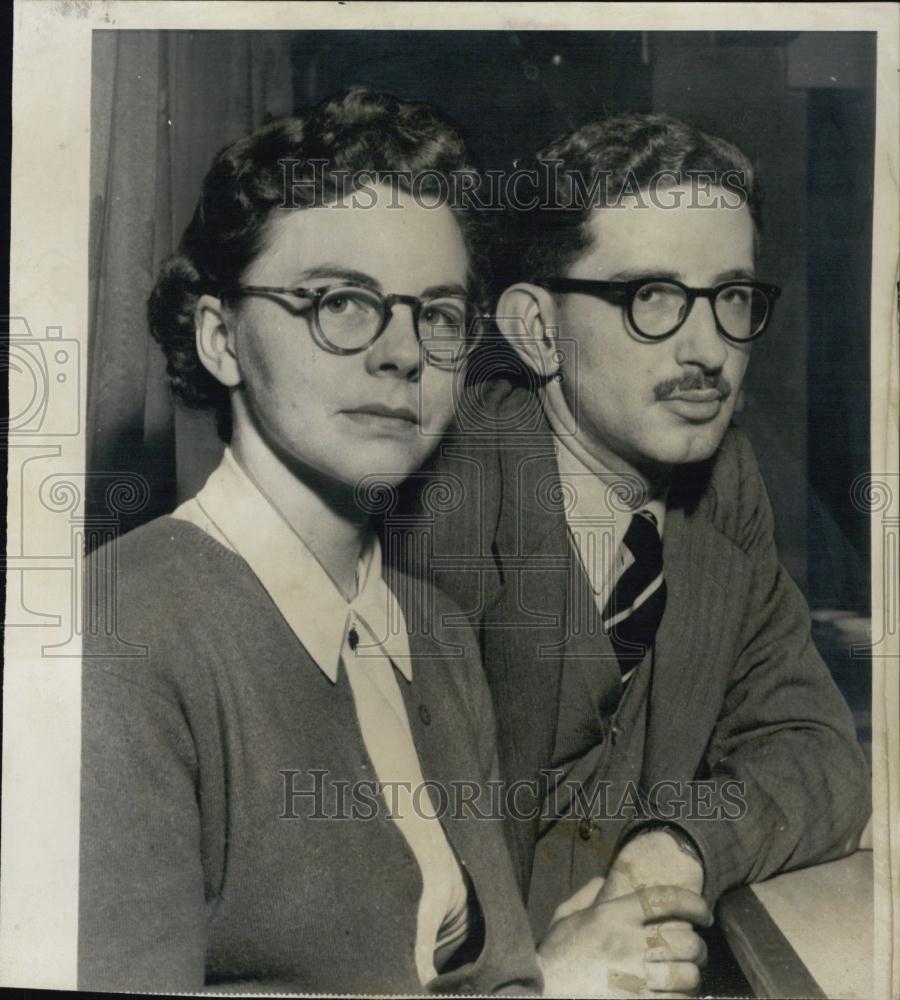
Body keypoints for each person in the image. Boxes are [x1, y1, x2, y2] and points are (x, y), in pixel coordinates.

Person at [80, 90, 713, 998]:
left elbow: (479, 977)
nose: (402, 353)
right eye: (342, 301)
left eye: (439, 313)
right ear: (219, 337)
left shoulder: (436, 635)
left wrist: (551, 960)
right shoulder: (116, 640)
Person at [394, 112, 871, 978]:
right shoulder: (444, 494)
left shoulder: (723, 484)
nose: (709, 352)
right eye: (652, 297)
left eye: (731, 297)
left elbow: (818, 752)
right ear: (537, 329)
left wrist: (674, 850)